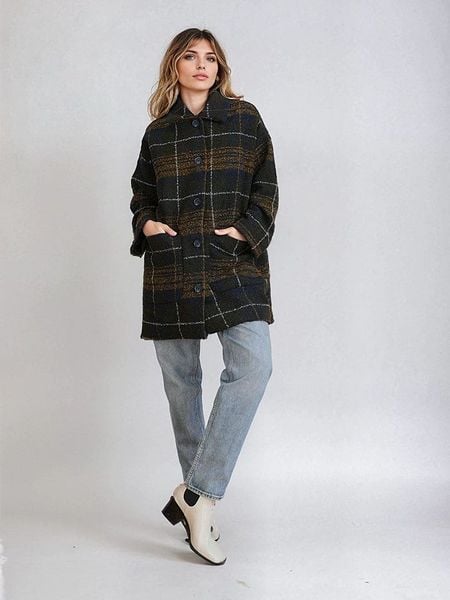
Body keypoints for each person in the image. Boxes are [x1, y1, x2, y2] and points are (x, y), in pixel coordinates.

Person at [129, 28, 279, 565]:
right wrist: (147, 225)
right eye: (191, 57)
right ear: (175, 65)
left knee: (254, 365)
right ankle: (202, 512)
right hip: (171, 268)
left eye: (211, 58)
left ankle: (197, 493)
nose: (202, 65)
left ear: (220, 68)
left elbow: (267, 188)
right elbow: (141, 195)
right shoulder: (157, 134)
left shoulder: (245, 118)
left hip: (231, 263)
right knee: (182, 384)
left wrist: (243, 232)